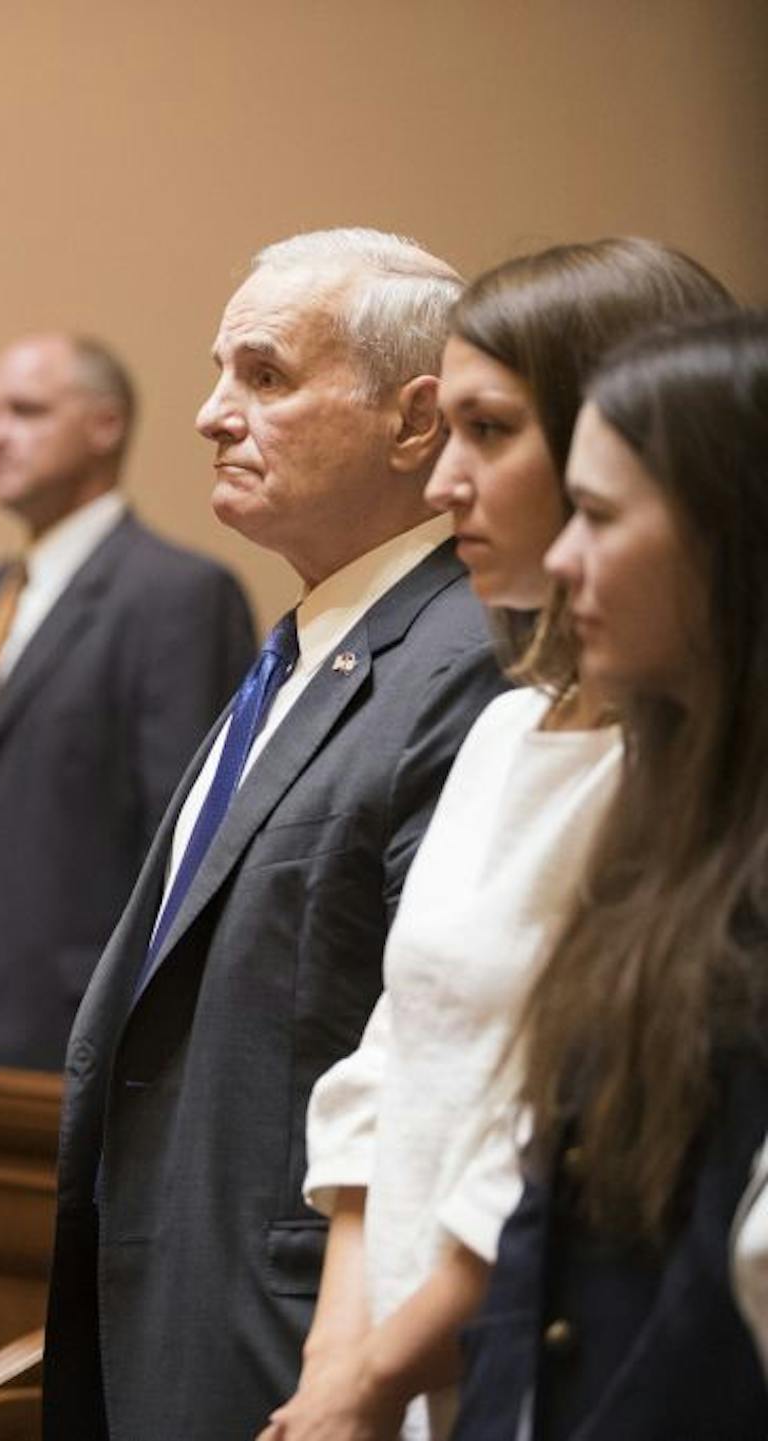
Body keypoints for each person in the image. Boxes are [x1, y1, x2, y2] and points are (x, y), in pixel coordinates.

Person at [46, 230, 510, 1439]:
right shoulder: (306, 647)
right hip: (182, 1298)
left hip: (300, 1337)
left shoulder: (463, 661)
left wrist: (354, 1369)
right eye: (218, 371)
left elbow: (436, 1054)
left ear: (416, 425)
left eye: (263, 376)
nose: (210, 413)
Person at [269, 240, 733, 1441]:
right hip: (407, 1380)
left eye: (490, 431)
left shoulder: (690, 776)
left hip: (537, 1363)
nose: (443, 483)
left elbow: (551, 1137)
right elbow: (390, 1057)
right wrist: (338, 1365)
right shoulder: (507, 723)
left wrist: (376, 1375)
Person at [451, 310, 768, 1439]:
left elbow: (723, 1305)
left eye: (595, 515)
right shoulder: (665, 815)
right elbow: (548, 1219)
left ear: (729, 535)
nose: (565, 556)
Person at [0, 333, 253, 1070]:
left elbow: (184, 838)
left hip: (70, 1023)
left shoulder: (176, 595)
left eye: (25, 411)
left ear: (105, 425)